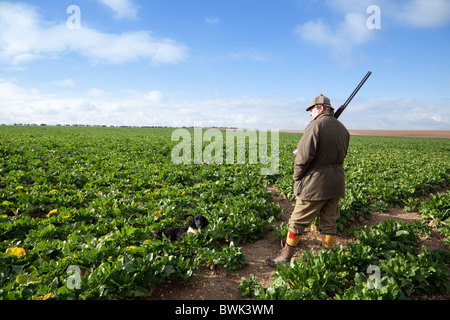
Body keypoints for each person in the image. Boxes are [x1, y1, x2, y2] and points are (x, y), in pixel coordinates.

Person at [266, 94, 350, 267]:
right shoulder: (343, 128)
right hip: (335, 183)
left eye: (311, 110)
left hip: (314, 184)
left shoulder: (315, 126)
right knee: (329, 222)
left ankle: (285, 257)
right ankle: (327, 257)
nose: (310, 113)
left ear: (320, 108)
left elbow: (304, 157)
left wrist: (297, 176)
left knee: (297, 222)